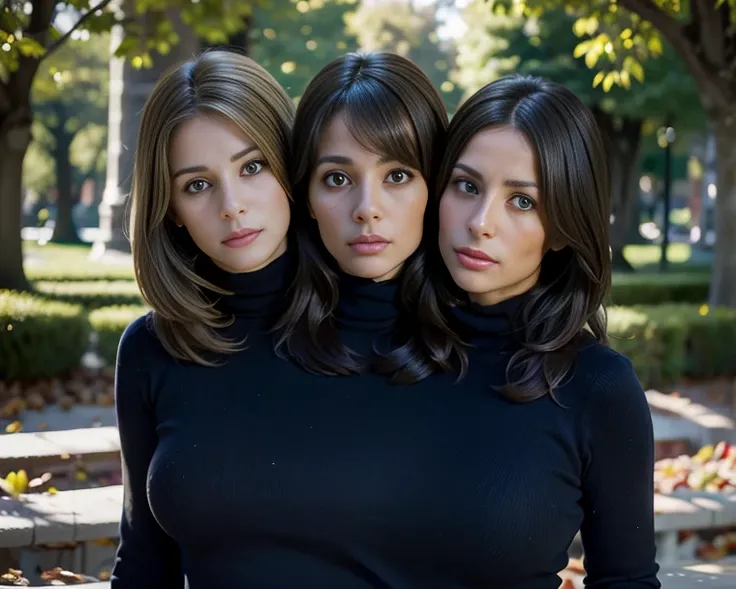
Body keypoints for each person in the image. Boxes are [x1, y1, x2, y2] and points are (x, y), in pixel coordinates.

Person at [429, 74, 660, 588]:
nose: (480, 221)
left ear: (561, 228)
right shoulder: (383, 347)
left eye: (523, 201)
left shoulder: (597, 387)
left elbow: (627, 580)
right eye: (466, 186)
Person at [111, 50, 295, 588]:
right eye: (197, 184)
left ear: (291, 162)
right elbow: (145, 557)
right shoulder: (151, 350)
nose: (232, 205)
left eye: (252, 166)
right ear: (169, 206)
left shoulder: (377, 321)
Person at [275, 52, 465, 382]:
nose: (367, 209)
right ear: (307, 196)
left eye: (397, 176)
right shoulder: (259, 348)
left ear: (434, 185)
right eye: (337, 178)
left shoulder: (491, 353)